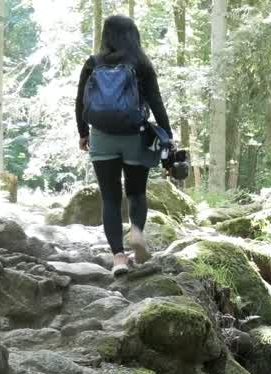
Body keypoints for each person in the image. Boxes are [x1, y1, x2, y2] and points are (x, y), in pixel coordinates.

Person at [75, 15, 173, 276]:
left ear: (106, 35)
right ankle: (137, 235)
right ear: (133, 35)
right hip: (135, 137)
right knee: (136, 193)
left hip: (101, 137)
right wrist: (168, 137)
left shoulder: (93, 63)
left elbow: (80, 101)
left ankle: (118, 257)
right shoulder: (140, 63)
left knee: (109, 197)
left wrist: (83, 133)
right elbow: (156, 102)